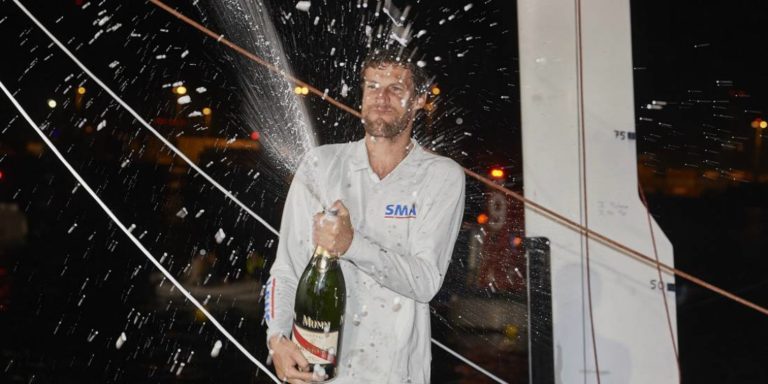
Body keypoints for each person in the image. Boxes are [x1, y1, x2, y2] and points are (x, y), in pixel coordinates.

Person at [263, 47, 466, 383]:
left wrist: (351, 243)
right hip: (317, 373)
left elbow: (426, 281)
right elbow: (285, 269)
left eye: (395, 89)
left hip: (396, 374)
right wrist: (276, 339)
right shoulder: (320, 165)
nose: (381, 98)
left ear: (417, 100)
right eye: (372, 86)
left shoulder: (441, 176)